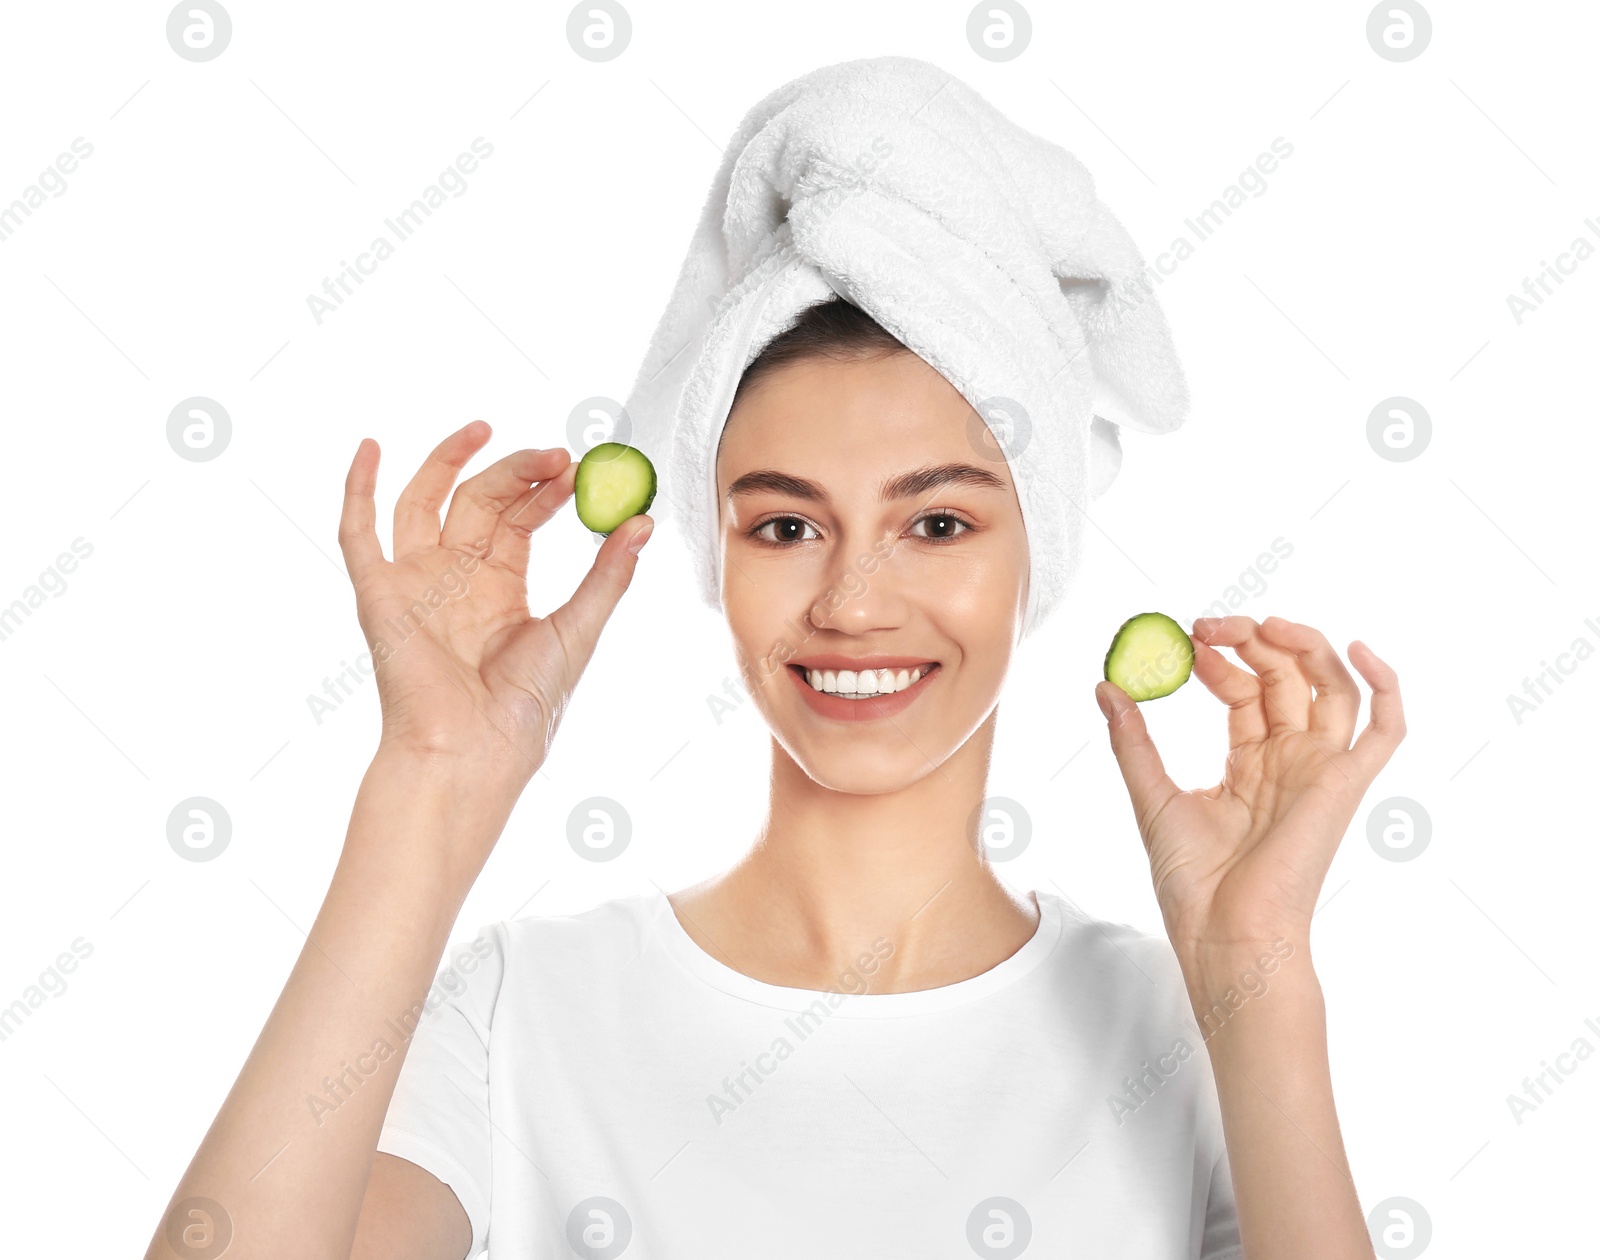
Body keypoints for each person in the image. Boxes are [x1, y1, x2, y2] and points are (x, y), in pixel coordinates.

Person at [145, 296, 1403, 1260]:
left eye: (939, 522)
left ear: (1041, 555)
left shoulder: (1189, 1028)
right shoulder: (526, 1009)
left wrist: (1259, 983)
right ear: (716, 561)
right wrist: (432, 782)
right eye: (786, 526)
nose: (853, 602)